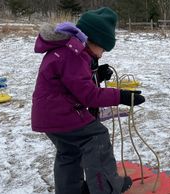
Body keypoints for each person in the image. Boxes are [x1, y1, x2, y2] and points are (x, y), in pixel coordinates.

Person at [31, 7, 145, 194]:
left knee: (68, 152)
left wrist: (96, 75)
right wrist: (121, 96)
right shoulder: (74, 55)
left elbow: (72, 84)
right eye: (103, 48)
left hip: (48, 116)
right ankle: (107, 188)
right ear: (94, 40)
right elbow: (89, 95)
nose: (102, 54)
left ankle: (70, 190)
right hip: (62, 114)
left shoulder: (68, 50)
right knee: (96, 137)